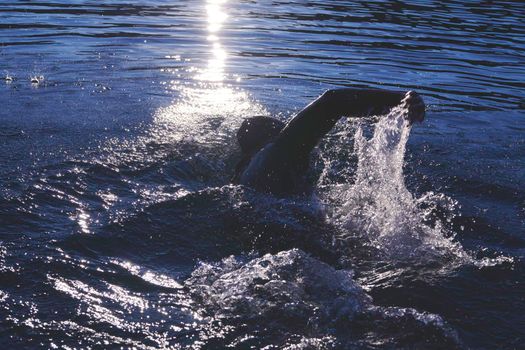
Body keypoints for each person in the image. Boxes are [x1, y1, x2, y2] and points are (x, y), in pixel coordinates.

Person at [232, 88, 425, 196]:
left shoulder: (246, 176)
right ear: (272, 137)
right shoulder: (275, 155)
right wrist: (401, 101)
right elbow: (332, 101)